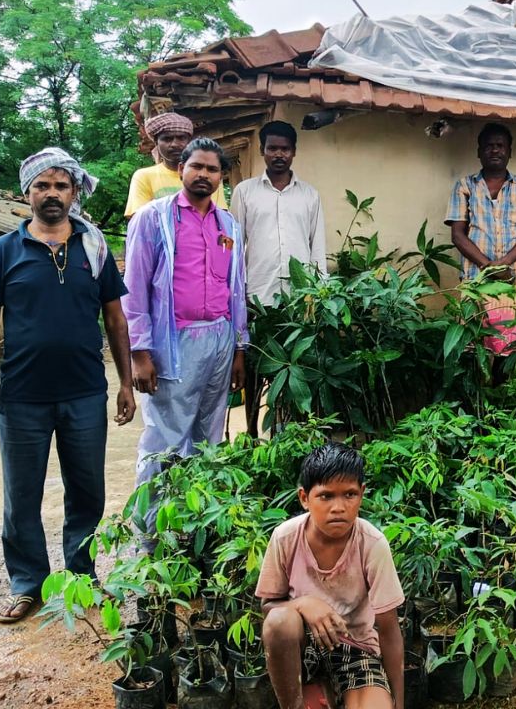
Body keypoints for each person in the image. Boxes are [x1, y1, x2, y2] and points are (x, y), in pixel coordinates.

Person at [0, 148, 134, 624]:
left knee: (87, 492)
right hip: (21, 398)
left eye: (61, 185)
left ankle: (82, 578)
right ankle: (28, 584)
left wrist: (126, 383)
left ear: (75, 191)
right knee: (21, 495)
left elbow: (115, 318)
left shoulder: (94, 248)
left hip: (85, 393)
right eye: (42, 185)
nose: (52, 194)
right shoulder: (4, 250)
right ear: (28, 192)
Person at [122, 137, 247, 495]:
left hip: (220, 340)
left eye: (212, 169)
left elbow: (236, 287)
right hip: (173, 341)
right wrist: (140, 352)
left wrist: (240, 348)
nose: (203, 174)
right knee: (165, 439)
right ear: (181, 170)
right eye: (197, 166)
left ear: (221, 177)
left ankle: (196, 525)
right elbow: (134, 288)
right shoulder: (153, 219)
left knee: (208, 435)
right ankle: (153, 533)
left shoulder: (228, 226)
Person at [258, 442, 405, 709]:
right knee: (280, 621)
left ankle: (340, 691)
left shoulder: (372, 543)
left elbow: (389, 628)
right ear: (304, 498)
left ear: (362, 494)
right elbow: (268, 608)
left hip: (356, 648)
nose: (338, 507)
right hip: (303, 649)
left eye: (349, 494)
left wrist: (398, 701)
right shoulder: (286, 538)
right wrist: (304, 604)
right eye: (326, 496)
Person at [231, 120, 326, 434]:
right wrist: (237, 295)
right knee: (256, 373)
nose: (278, 154)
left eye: (285, 148)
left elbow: (318, 248)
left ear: (294, 152)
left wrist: (318, 296)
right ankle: (252, 436)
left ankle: (290, 434)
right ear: (262, 151)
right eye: (272, 148)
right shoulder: (245, 193)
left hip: (299, 303)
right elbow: (234, 248)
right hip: (257, 298)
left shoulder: (310, 195)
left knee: (293, 371)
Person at [445, 123, 516, 355]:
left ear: (510, 151)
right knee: (471, 348)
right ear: (479, 152)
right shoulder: (465, 186)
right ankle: (476, 391)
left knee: (506, 347)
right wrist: (487, 266)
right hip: (475, 283)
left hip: (510, 284)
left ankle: (500, 390)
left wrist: (505, 263)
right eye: (489, 146)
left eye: (501, 146)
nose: (495, 150)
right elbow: (457, 234)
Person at [124, 112, 227, 218]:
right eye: (167, 139)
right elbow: (139, 221)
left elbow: (218, 217)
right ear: (156, 142)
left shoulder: (207, 176)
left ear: (189, 142)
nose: (174, 144)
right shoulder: (144, 176)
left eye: (181, 138)